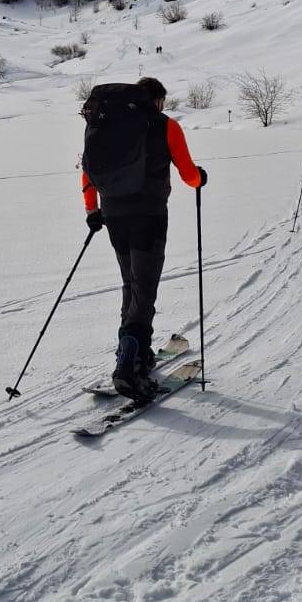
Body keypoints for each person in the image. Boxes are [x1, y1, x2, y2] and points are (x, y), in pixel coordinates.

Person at [81, 76, 206, 398]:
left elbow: (89, 169)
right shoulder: (164, 125)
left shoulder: (106, 124)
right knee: (145, 288)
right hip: (148, 215)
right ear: (158, 100)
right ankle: (128, 365)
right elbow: (189, 175)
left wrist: (92, 209)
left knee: (130, 283)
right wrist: (200, 178)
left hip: (112, 214)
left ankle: (135, 351)